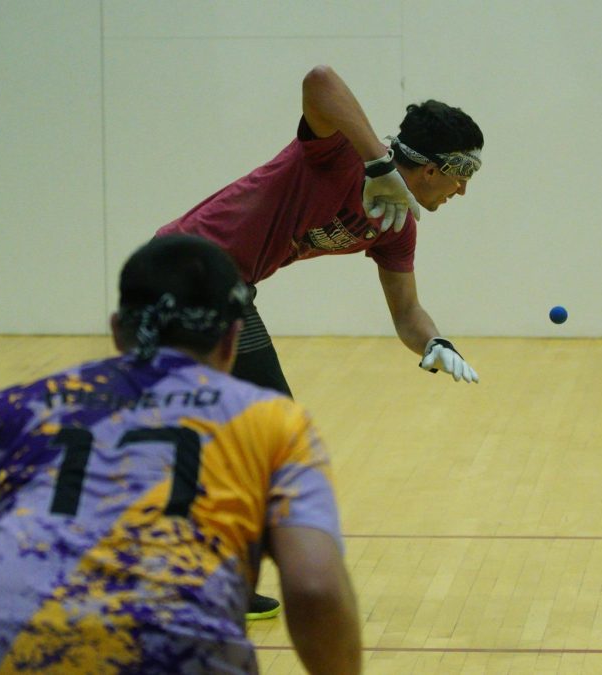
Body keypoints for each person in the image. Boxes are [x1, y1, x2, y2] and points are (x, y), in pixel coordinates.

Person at [0, 234, 362, 674]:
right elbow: (315, 589)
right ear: (232, 339)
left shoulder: (13, 408)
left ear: (119, 330)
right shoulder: (273, 423)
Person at [157, 63, 484, 618]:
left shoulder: (395, 223)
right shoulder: (337, 154)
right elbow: (320, 80)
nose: (464, 190)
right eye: (462, 174)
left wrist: (435, 343)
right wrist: (379, 164)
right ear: (433, 168)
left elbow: (408, 313)